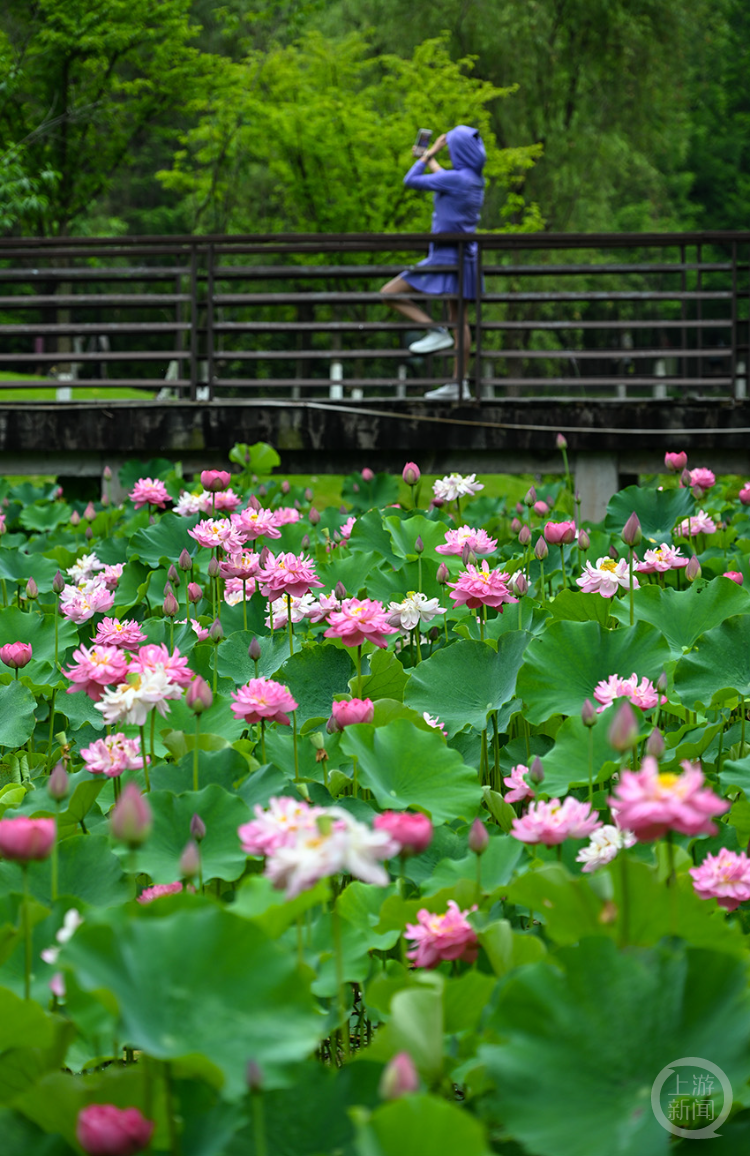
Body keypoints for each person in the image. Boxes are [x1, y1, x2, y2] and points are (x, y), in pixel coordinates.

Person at [380, 125, 486, 401]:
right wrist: (430, 158)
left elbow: (411, 180)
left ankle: (435, 330)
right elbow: (446, 178)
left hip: (444, 256)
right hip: (465, 256)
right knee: (459, 320)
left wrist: (428, 155)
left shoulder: (456, 180)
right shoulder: (473, 179)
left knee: (389, 293)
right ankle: (458, 384)